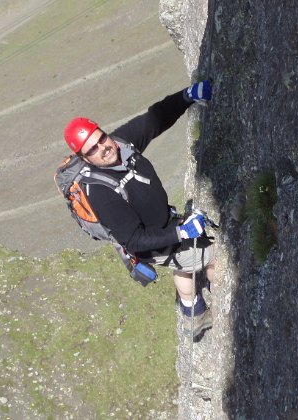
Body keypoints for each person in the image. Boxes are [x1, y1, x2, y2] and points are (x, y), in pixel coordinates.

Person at [63, 81, 215, 339]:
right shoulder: (98, 191)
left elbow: (154, 120)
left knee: (184, 263)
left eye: (101, 138)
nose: (103, 148)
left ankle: (193, 311)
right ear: (84, 158)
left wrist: (187, 96)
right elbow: (134, 240)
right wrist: (181, 234)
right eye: (93, 150)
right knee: (214, 256)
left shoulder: (121, 144)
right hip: (153, 243)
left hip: (165, 223)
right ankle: (204, 310)